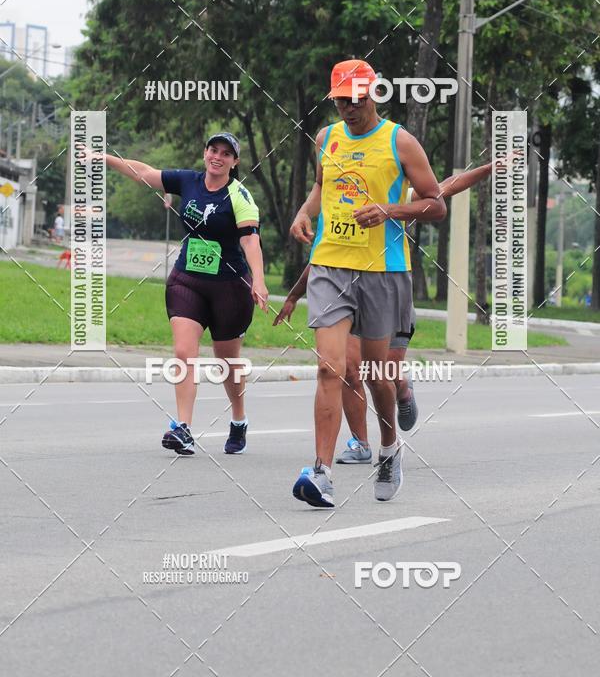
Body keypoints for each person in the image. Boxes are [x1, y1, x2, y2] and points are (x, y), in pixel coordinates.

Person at [289, 59, 446, 507]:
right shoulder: (327, 138)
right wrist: (305, 212)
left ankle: (390, 447)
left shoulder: (400, 141)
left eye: (357, 98)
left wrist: (390, 210)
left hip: (383, 270)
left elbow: (435, 204)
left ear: (374, 92)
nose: (349, 107)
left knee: (379, 374)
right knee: (330, 368)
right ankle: (321, 474)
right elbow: (322, 188)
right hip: (330, 266)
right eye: (341, 99)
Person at [276, 161, 494, 462]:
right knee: (350, 369)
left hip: (387, 289)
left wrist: (489, 168)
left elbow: (448, 186)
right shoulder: (337, 206)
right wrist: (294, 296)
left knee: (381, 372)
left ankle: (402, 389)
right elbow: (321, 256)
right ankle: (361, 444)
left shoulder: (397, 197)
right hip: (344, 292)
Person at [104, 132, 268, 456]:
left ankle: (238, 420)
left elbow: (250, 241)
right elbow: (144, 173)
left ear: (234, 162)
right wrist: (104, 159)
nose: (217, 157)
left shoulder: (240, 195)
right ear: (205, 152)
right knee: (183, 353)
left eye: (225, 153)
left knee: (227, 362)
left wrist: (259, 281)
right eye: (213, 150)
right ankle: (184, 429)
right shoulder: (188, 182)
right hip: (187, 281)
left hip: (229, 288)